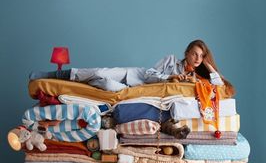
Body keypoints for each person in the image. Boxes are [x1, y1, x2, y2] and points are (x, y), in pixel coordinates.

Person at [29, 39, 235, 95]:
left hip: (133, 90)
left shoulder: (197, 80)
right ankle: (47, 75)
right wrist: (169, 78)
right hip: (137, 75)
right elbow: (152, 73)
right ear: (187, 53)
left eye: (202, 55)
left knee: (105, 84)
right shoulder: (171, 60)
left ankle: (70, 81)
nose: (198, 58)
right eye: (195, 54)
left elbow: (220, 86)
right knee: (99, 72)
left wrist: (209, 66)